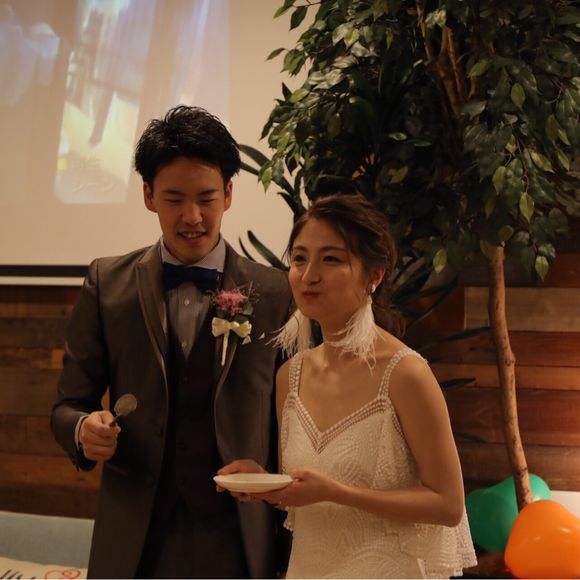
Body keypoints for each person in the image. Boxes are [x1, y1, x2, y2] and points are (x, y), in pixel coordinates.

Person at [51, 105, 293, 579]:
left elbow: (294, 425)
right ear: (148, 195)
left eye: (206, 198)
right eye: (174, 199)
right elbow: (68, 405)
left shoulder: (277, 293)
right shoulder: (107, 284)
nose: (192, 217)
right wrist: (84, 429)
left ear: (228, 193)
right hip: (136, 540)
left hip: (239, 539)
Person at [219, 194, 477, 578]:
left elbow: (448, 505)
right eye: (300, 258)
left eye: (331, 259)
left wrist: (336, 492)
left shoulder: (405, 374)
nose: (309, 275)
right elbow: (303, 494)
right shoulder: (290, 376)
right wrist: (265, 484)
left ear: (374, 275)